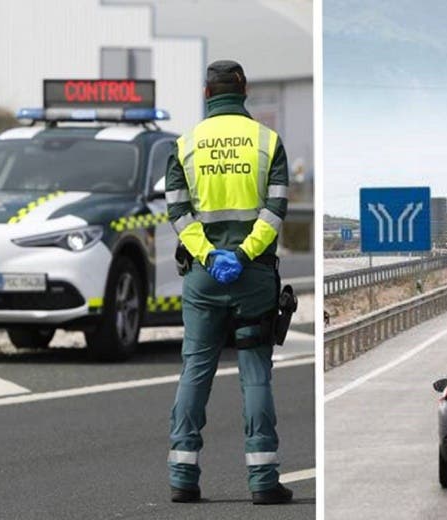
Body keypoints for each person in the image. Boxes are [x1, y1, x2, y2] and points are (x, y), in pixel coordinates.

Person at [165, 60, 293, 505]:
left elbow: (178, 214)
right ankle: (263, 480)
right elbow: (275, 213)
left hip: (203, 278)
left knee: (195, 371)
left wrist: (210, 255)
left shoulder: (185, 146)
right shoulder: (268, 142)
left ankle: (183, 476)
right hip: (254, 276)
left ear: (206, 94)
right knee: (255, 374)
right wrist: (242, 255)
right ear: (244, 92)